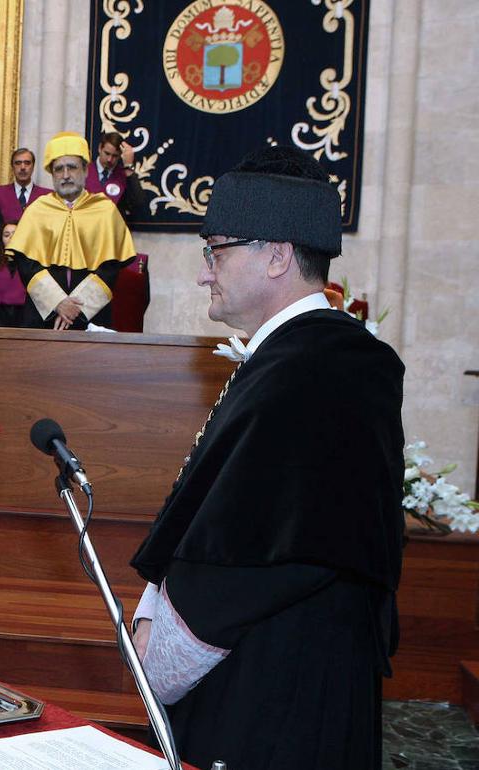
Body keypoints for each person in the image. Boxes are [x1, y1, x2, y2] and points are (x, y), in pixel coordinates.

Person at [129, 146, 405, 769]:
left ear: (277, 255)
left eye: (217, 250)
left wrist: (161, 647)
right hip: (269, 664)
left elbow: (259, 550)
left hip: (281, 684)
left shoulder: (316, 370)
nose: (205, 272)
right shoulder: (300, 359)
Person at [7, 132, 136, 330]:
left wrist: (76, 309)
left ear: (86, 170)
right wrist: (57, 303)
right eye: (59, 169)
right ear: (52, 174)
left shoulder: (105, 210)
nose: (65, 175)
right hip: (43, 316)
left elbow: (110, 266)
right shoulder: (37, 209)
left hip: (90, 317)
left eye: (72, 167)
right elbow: (26, 264)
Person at [0, 147, 50, 236]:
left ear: (33, 166)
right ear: (12, 167)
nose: (22, 167)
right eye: (18, 163)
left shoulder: (46, 196)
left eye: (27, 163)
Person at [87, 131, 145, 224]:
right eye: (107, 153)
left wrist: (129, 167)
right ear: (99, 148)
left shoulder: (124, 175)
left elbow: (138, 204)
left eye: (115, 156)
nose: (110, 159)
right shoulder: (84, 171)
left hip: (114, 232)